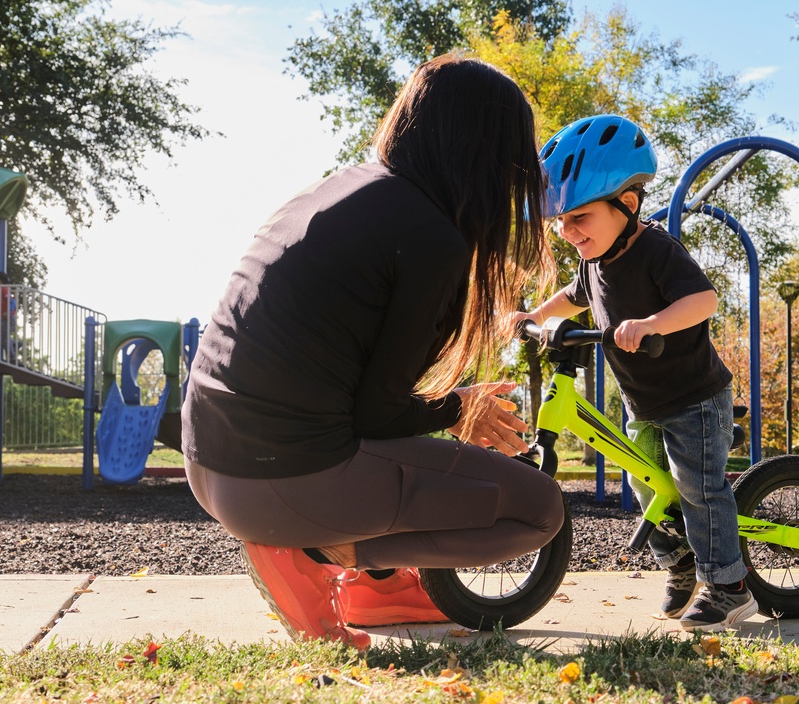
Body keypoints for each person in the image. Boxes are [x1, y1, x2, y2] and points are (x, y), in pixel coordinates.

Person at [181, 54, 565, 648]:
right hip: (279, 485)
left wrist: (445, 410)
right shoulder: (429, 235)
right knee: (539, 510)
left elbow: (354, 394)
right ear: (490, 155)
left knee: (415, 462)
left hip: (207, 462)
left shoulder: (342, 188)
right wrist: (458, 408)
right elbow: (377, 415)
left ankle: (377, 587)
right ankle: (312, 553)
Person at [516, 114, 755, 633]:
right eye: (561, 221)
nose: (567, 231)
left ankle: (729, 586)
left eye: (579, 217)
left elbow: (703, 299)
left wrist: (651, 323)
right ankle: (682, 565)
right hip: (642, 402)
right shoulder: (593, 261)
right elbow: (573, 300)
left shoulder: (657, 250)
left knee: (697, 487)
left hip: (693, 397)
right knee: (646, 484)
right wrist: (535, 318)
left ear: (626, 204)